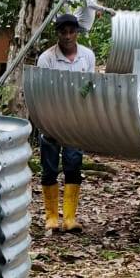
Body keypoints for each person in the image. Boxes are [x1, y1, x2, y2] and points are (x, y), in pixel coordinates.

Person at [35, 12, 96, 233]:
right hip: (51, 120)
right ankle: (51, 217)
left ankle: (69, 218)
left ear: (77, 32)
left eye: (71, 32)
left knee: (73, 165)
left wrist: (81, 98)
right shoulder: (47, 59)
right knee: (49, 168)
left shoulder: (87, 56)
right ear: (58, 34)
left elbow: (90, 84)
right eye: (63, 32)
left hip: (75, 120)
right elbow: (42, 91)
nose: (68, 36)